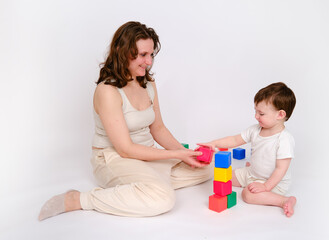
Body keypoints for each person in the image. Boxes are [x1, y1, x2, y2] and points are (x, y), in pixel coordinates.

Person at [38, 21, 212, 221]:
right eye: (142, 55)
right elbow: (125, 149)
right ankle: (79, 199)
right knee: (164, 198)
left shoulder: (148, 83)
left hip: (147, 155)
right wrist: (177, 153)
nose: (148, 62)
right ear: (122, 51)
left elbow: (159, 129)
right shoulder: (108, 91)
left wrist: (186, 155)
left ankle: (146, 184)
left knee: (207, 166)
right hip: (114, 158)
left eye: (151, 55)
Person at [199, 82, 297, 217]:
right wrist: (214, 143)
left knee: (247, 195)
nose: (256, 116)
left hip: (273, 182)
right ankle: (252, 176)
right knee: (224, 177)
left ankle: (284, 201)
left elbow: (281, 169)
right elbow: (234, 140)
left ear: (280, 115)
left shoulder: (284, 139)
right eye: (255, 111)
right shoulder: (255, 129)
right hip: (252, 174)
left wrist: (266, 187)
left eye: (261, 113)